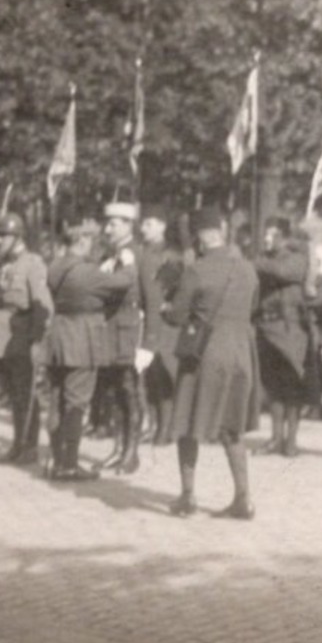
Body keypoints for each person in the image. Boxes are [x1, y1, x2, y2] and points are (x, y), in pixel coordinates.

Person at [162, 208, 260, 519]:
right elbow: (252, 306)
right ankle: (243, 498)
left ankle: (188, 497)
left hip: (204, 354)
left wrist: (167, 304)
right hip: (241, 352)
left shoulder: (197, 270)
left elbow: (176, 316)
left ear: (200, 236)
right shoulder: (247, 269)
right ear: (221, 231)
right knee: (233, 428)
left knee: (188, 422)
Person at [43, 219, 135, 481]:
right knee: (76, 402)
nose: (94, 247)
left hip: (59, 336)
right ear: (82, 240)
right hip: (81, 338)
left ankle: (56, 458)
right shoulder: (86, 271)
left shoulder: (57, 265)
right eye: (92, 241)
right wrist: (127, 261)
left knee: (57, 399)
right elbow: (124, 281)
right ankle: (69, 464)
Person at [0, 214, 52, 466]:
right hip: (2, 333)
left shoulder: (32, 263)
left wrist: (37, 339)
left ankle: (29, 445)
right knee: (12, 392)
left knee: (26, 391)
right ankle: (17, 443)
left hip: (22, 333)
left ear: (17, 237)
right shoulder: (3, 264)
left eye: (2, 236)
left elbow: (42, 304)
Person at [252, 216, 312, 457]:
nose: (266, 239)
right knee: (273, 386)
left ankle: (292, 440)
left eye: (272, 235)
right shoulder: (265, 259)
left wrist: (257, 263)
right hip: (267, 327)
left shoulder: (297, 258)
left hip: (290, 330)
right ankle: (276, 437)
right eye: (266, 234)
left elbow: (284, 272)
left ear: (284, 238)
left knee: (292, 385)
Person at [95, 202, 146, 473]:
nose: (108, 229)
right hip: (110, 330)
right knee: (113, 392)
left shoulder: (140, 254)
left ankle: (131, 452)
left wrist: (148, 343)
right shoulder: (108, 254)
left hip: (130, 330)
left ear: (128, 225)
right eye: (108, 223)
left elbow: (150, 296)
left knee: (130, 390)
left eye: (114, 224)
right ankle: (118, 447)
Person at [137, 205, 183, 446]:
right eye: (143, 224)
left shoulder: (171, 255)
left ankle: (167, 429)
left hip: (165, 324)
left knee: (165, 374)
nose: (143, 228)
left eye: (149, 224)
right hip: (146, 322)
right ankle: (155, 426)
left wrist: (169, 310)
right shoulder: (141, 252)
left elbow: (177, 290)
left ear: (162, 226)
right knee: (151, 377)